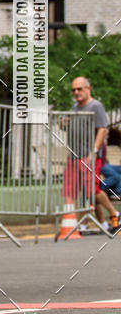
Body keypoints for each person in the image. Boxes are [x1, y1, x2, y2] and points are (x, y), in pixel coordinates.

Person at [68, 77, 119, 232]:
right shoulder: (74, 108)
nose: (76, 92)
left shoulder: (96, 106)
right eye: (74, 90)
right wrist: (64, 124)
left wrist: (94, 151)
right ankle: (98, 223)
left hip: (91, 155)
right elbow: (72, 128)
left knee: (91, 189)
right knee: (85, 190)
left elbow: (102, 129)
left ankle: (114, 214)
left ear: (88, 88)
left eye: (79, 89)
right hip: (76, 155)